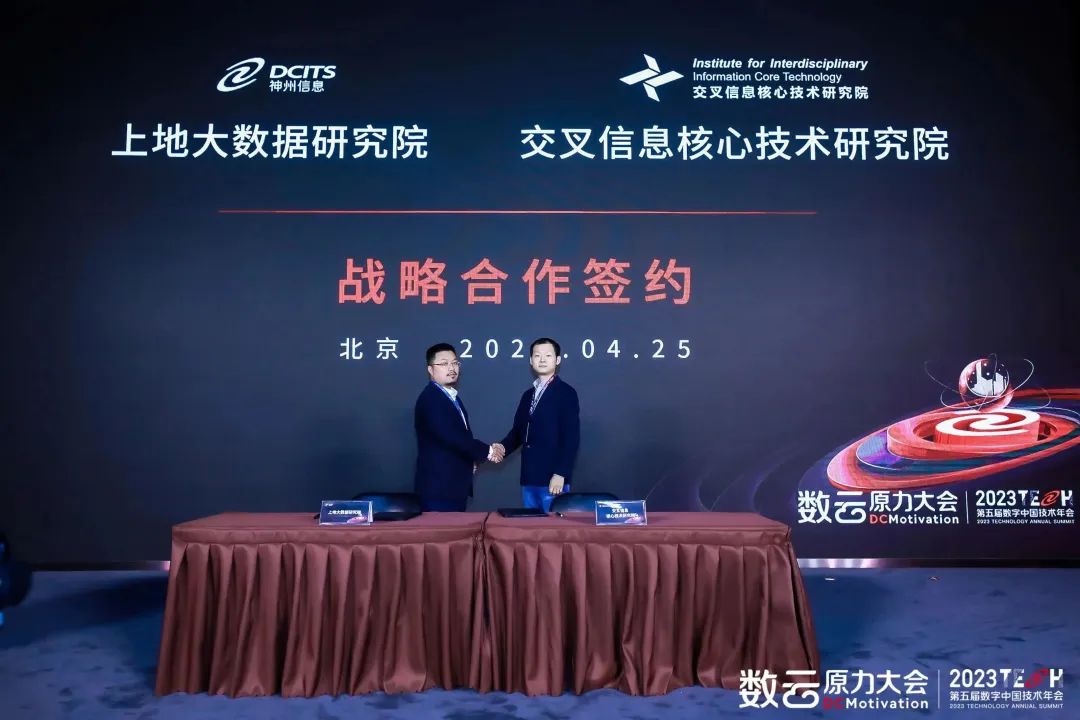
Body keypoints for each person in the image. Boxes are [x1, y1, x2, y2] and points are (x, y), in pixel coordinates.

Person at [493, 338, 580, 512]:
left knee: (553, 526)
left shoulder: (566, 393)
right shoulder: (528, 395)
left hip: (553, 478)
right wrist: (501, 448)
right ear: (531, 360)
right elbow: (518, 433)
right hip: (529, 476)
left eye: (548, 355)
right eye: (537, 355)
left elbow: (571, 437)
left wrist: (561, 473)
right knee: (531, 526)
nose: (542, 359)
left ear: (557, 360)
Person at [414, 343, 503, 511]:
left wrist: (471, 459)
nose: (451, 368)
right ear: (430, 369)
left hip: (452, 487)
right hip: (439, 489)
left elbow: (460, 439)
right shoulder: (431, 399)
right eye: (444, 363)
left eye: (455, 363)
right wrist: (489, 452)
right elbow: (453, 437)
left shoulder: (451, 397)